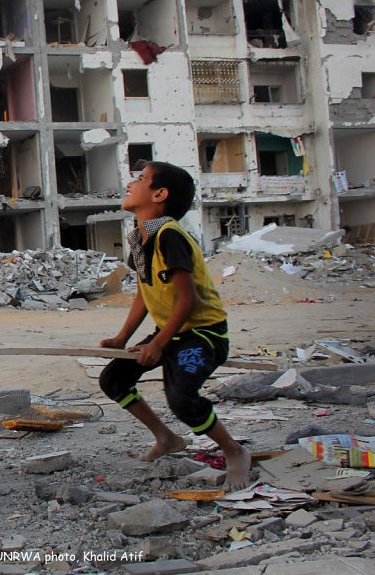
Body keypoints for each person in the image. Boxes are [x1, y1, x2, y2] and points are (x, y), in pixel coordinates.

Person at [97, 161, 250, 491]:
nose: (130, 183)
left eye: (140, 179)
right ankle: (165, 438)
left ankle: (233, 450)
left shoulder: (169, 236)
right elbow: (144, 290)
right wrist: (123, 337)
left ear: (159, 194)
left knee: (181, 398)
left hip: (203, 333)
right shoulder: (140, 238)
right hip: (173, 331)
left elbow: (188, 300)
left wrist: (158, 344)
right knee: (113, 379)